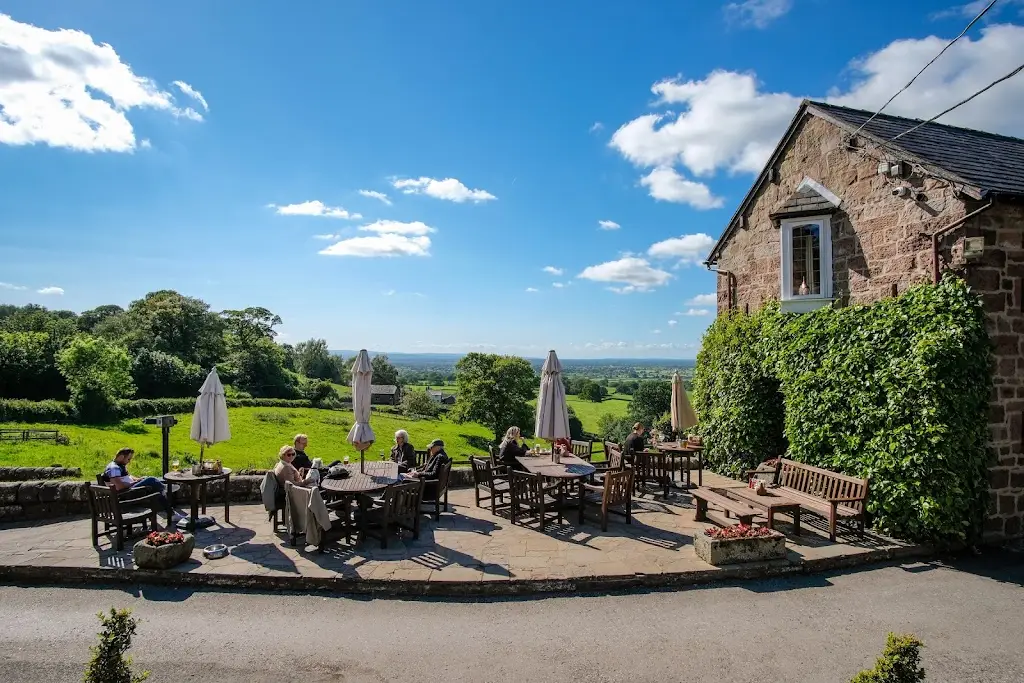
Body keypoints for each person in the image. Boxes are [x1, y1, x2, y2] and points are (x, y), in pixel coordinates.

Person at [103, 447, 176, 527]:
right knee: (151, 481)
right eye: (128, 459)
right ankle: (166, 492)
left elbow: (128, 477)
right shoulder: (114, 468)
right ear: (121, 457)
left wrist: (139, 479)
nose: (129, 461)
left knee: (153, 484)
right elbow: (119, 486)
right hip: (125, 494)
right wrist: (134, 482)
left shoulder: (119, 465)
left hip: (129, 490)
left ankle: (170, 510)